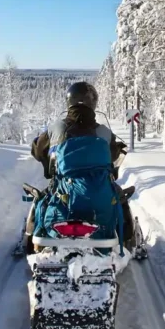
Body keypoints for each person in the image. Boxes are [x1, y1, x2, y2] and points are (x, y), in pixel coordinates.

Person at [28, 82, 137, 251]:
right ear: (93, 103)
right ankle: (129, 241)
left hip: (63, 188)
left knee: (41, 200)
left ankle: (30, 241)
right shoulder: (104, 132)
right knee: (120, 200)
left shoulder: (56, 128)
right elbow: (114, 155)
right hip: (99, 188)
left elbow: (37, 151)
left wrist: (48, 159)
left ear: (68, 101)